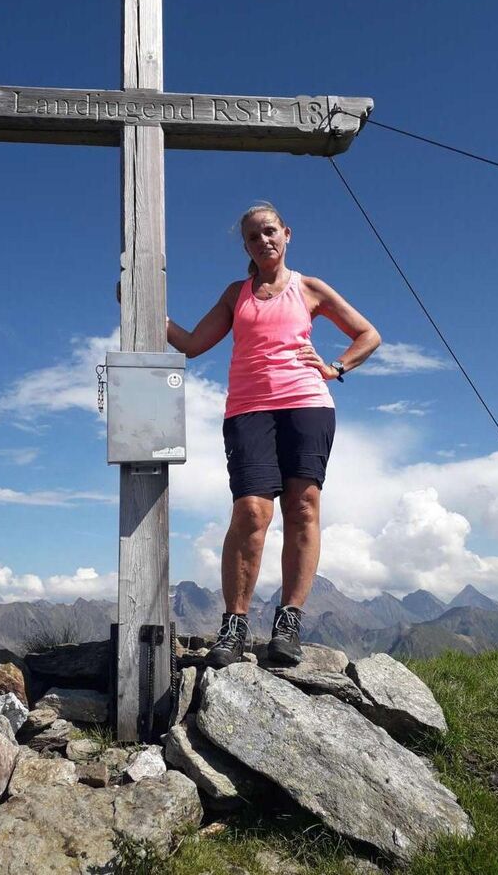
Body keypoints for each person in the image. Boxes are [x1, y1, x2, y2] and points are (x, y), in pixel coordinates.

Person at [167, 201, 381, 666]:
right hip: (248, 410)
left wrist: (335, 367)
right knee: (251, 511)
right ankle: (234, 626)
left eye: (269, 231)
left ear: (286, 233)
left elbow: (368, 334)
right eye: (253, 236)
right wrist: (145, 305)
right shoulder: (236, 294)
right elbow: (192, 344)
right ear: (246, 246)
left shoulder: (309, 287)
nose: (263, 240)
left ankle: (288, 624)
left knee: (302, 507)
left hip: (307, 404)